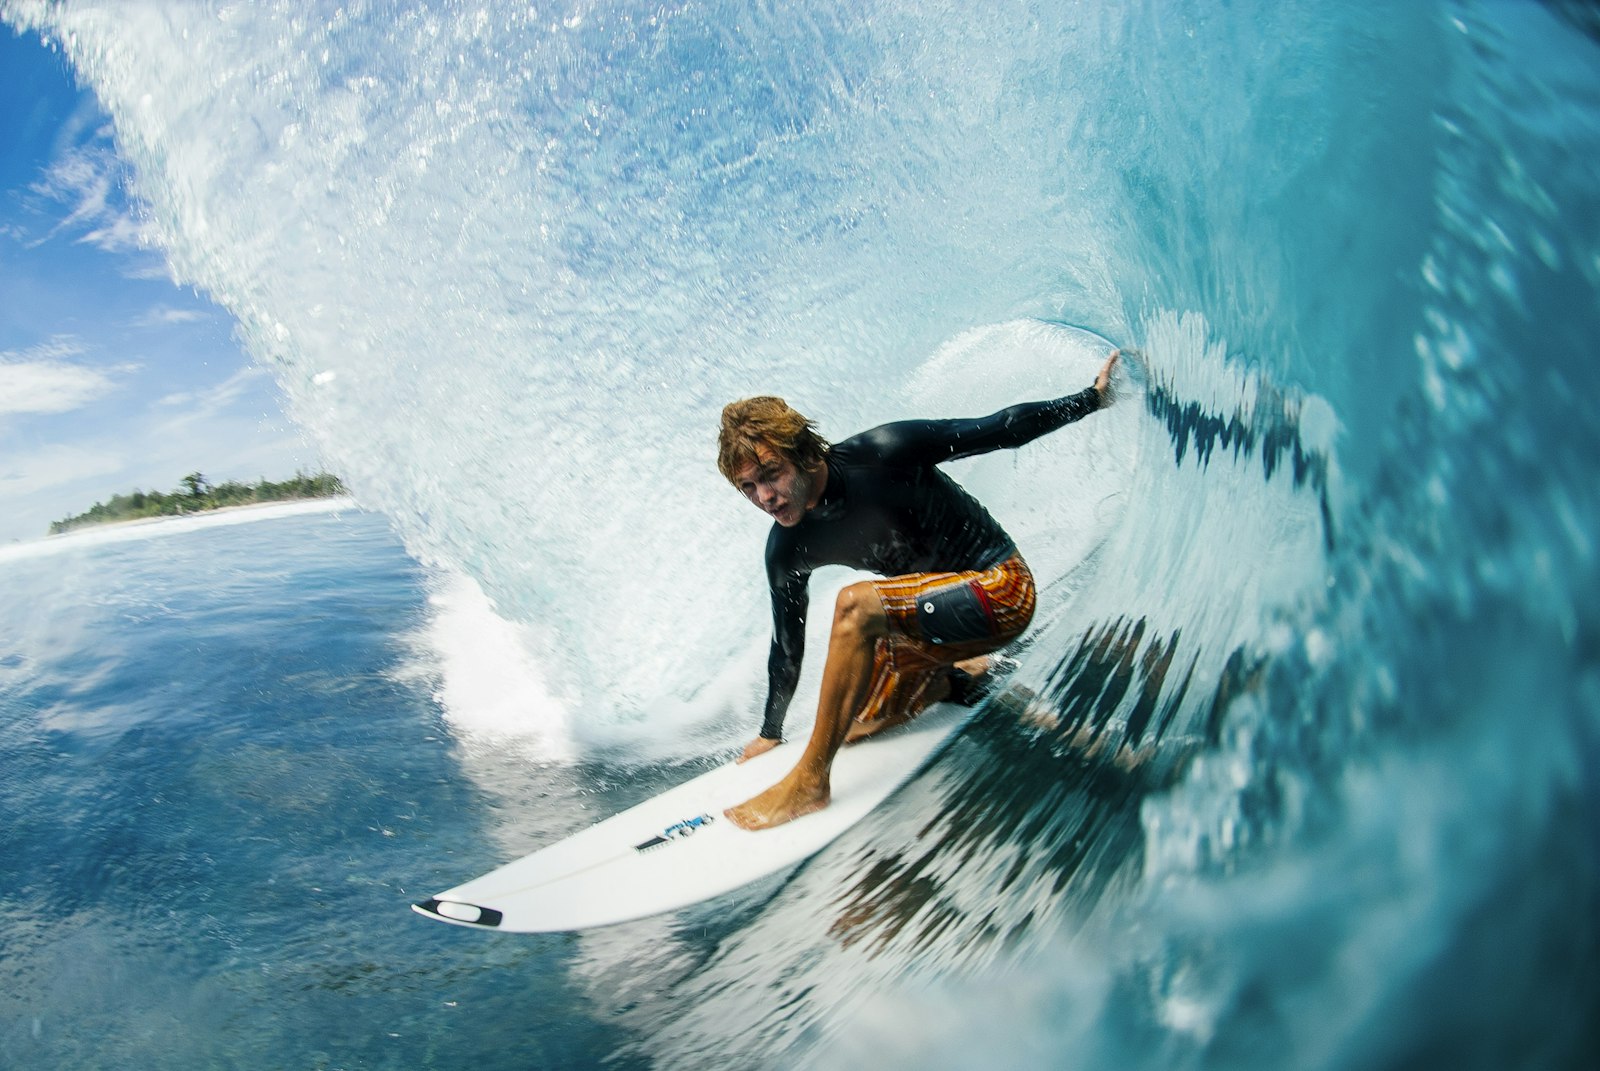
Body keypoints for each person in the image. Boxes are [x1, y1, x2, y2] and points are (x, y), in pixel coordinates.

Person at [716, 349, 1121, 830]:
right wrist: (770, 732)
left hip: (1000, 590)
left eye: (771, 475)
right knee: (853, 724)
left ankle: (809, 782)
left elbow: (1001, 428)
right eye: (748, 487)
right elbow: (787, 644)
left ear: (805, 454)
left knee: (855, 606)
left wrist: (1091, 399)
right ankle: (953, 681)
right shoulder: (787, 547)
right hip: (932, 627)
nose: (765, 497)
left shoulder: (883, 452)